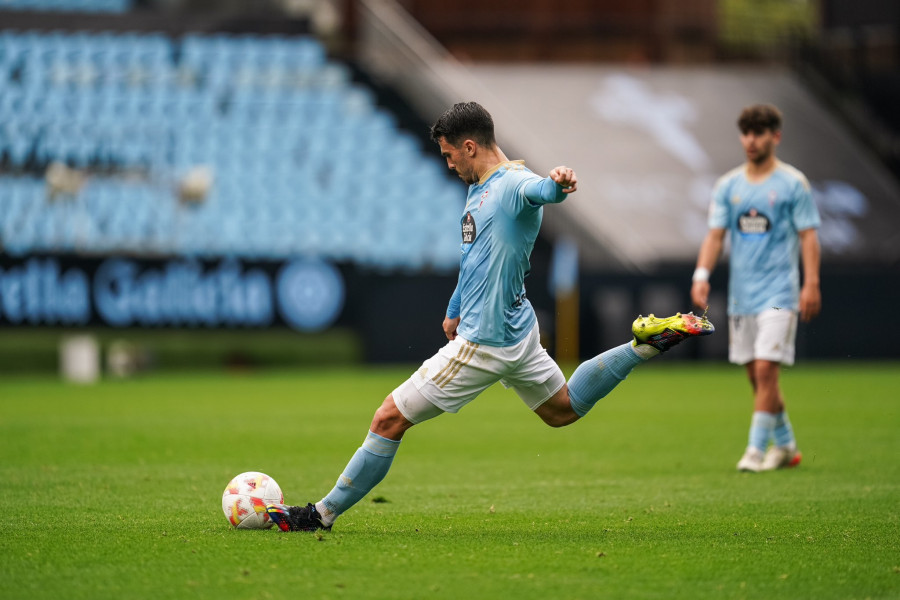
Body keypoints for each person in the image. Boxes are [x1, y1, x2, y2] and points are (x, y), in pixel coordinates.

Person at [267, 101, 714, 532]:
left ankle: (321, 514)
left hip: (486, 341)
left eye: (448, 155)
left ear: (469, 146)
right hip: (518, 333)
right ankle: (644, 345)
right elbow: (473, 258)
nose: (447, 165)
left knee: (387, 419)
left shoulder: (513, 185)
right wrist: (454, 309)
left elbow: (542, 191)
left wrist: (557, 183)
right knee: (562, 410)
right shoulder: (479, 190)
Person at [690, 104, 821, 473]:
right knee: (755, 375)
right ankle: (786, 446)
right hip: (742, 296)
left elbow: (808, 237)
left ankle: (754, 450)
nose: (751, 140)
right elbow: (715, 236)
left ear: (775, 137)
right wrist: (702, 274)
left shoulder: (793, 184)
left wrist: (811, 283)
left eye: (759, 132)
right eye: (746, 132)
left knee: (766, 372)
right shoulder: (729, 186)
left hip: (780, 293)